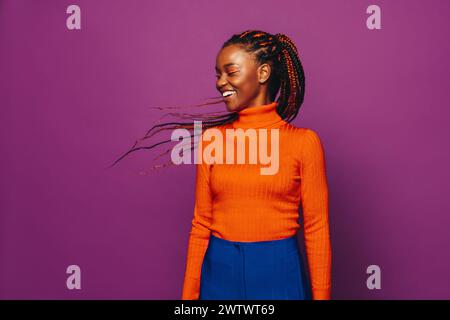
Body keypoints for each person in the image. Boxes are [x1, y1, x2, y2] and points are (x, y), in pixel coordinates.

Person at [180, 30, 332, 300]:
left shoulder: (304, 142)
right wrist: (188, 300)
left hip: (279, 271)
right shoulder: (212, 141)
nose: (220, 82)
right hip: (219, 272)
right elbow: (201, 223)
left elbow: (316, 228)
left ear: (262, 73)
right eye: (218, 74)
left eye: (231, 72)